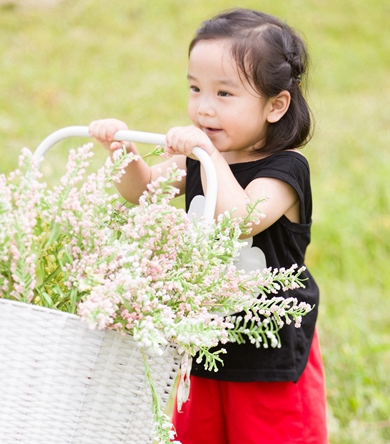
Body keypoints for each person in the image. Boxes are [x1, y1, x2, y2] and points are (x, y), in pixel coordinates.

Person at [89, 7, 327, 444]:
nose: (203, 107)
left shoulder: (286, 171)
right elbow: (142, 191)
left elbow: (240, 219)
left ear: (276, 105)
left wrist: (208, 156)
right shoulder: (198, 159)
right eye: (195, 89)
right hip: (206, 343)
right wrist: (121, 151)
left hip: (271, 354)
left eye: (224, 94)